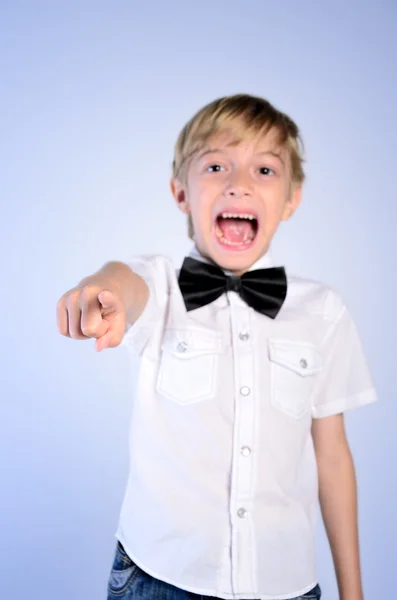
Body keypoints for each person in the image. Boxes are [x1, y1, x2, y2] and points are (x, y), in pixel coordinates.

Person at [56, 94, 378, 600]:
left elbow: (333, 458)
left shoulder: (325, 312)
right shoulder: (160, 287)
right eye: (215, 165)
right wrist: (102, 290)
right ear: (180, 192)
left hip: (286, 584)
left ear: (292, 198)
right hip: (159, 576)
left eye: (265, 170)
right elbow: (125, 279)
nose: (239, 182)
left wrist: (353, 593)